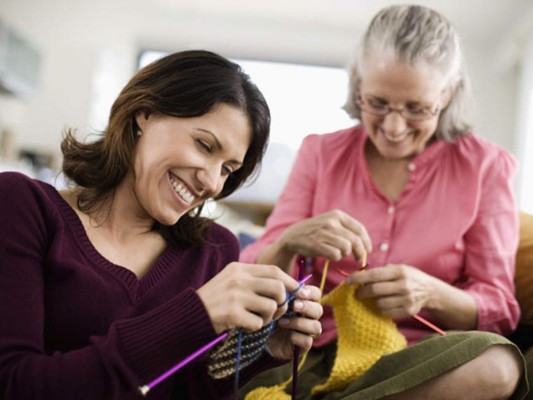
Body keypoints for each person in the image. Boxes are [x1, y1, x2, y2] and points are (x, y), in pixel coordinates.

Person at [239, 5, 530, 400]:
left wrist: (431, 293)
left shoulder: (485, 167)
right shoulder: (320, 154)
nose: (393, 127)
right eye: (376, 102)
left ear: (447, 94)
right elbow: (252, 275)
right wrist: (290, 240)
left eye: (416, 108)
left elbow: (499, 309)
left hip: (421, 362)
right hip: (310, 350)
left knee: (499, 366)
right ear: (358, 84)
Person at [0, 50, 323, 400]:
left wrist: (261, 352)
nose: (213, 182)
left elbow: (182, 390)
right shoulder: (22, 206)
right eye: (204, 145)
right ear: (145, 114)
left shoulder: (213, 251)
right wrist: (195, 315)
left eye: (228, 169)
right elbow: (15, 384)